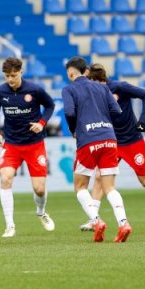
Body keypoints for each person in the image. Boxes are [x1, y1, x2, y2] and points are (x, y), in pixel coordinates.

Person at [84, 64, 145, 228]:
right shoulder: (93, 93)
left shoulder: (120, 87)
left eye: (94, 82)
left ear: (101, 80)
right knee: (99, 177)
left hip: (133, 140)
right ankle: (94, 219)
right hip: (112, 141)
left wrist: (142, 121)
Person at [61, 57, 132, 243]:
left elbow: (69, 112)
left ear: (70, 73)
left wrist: (73, 129)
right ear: (85, 71)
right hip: (109, 139)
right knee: (109, 187)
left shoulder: (69, 89)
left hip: (88, 140)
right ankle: (123, 223)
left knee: (80, 186)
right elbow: (117, 111)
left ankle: (97, 221)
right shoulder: (102, 87)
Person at [0, 57, 55, 237]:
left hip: (34, 145)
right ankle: (10, 225)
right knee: (5, 179)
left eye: (13, 75)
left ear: (21, 72)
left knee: (40, 189)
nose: (10, 79)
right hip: (11, 145)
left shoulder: (34, 90)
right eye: (7, 76)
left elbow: (50, 105)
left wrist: (42, 122)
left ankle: (41, 212)